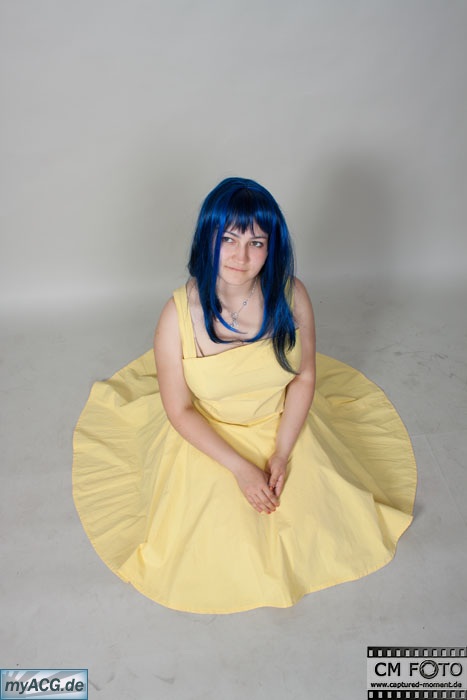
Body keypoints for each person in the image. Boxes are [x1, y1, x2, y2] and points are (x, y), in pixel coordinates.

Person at [73, 177, 417, 614]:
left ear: (272, 248)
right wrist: (241, 469)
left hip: (282, 419)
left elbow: (304, 377)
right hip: (208, 432)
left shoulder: (293, 295)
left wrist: (282, 453)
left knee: (324, 517)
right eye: (229, 239)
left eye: (256, 242)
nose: (241, 256)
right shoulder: (176, 314)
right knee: (213, 535)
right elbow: (180, 409)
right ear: (207, 238)